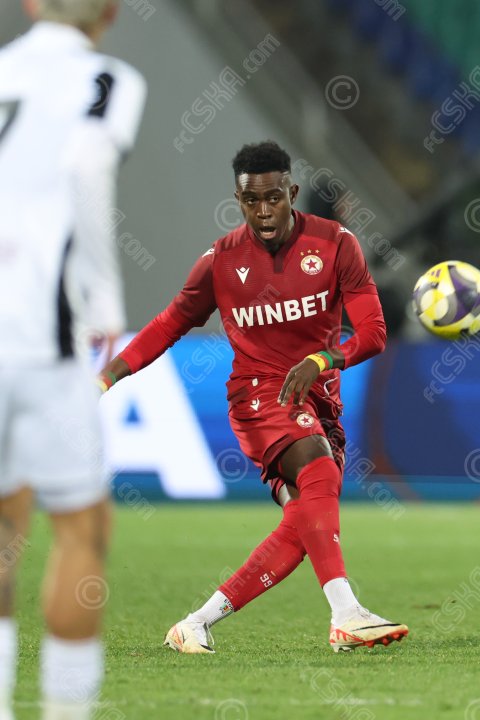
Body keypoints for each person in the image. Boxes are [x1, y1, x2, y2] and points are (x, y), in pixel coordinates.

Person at [98, 141, 408, 653]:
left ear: (292, 193)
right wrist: (106, 378)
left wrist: (323, 361)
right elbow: (169, 324)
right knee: (319, 473)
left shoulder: (336, 244)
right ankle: (347, 614)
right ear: (238, 199)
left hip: (318, 401)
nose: (263, 212)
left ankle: (196, 623)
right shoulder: (220, 261)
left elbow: (373, 333)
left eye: (273, 198)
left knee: (305, 523)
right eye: (250, 200)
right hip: (258, 398)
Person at [0, 1, 146, 717]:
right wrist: (105, 300)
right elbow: (87, 167)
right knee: (81, 529)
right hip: (41, 333)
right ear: (110, 12)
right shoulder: (108, 79)